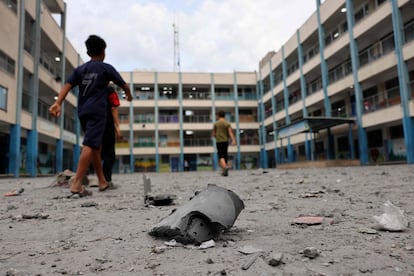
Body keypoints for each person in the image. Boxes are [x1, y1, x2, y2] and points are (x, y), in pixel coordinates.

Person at [49, 34, 133, 197]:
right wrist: (129, 96)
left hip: (83, 111)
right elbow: (124, 85)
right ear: (103, 51)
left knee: (95, 145)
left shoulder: (80, 70)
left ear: (88, 53)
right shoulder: (106, 68)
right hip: (97, 111)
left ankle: (102, 181)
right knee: (90, 144)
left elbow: (67, 86)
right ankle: (76, 184)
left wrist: (58, 102)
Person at [101, 85, 121, 187]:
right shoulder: (109, 90)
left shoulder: (91, 87)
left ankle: (80, 178)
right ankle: (106, 180)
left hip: (90, 121)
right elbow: (113, 107)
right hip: (106, 123)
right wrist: (117, 125)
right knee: (109, 154)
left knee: (92, 150)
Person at [212, 110, 236, 176]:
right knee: (225, 155)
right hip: (225, 141)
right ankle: (224, 171)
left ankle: (225, 168)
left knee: (221, 156)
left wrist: (216, 135)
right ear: (224, 116)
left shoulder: (216, 124)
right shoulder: (227, 123)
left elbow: (213, 134)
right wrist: (233, 140)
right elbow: (230, 132)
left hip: (219, 141)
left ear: (218, 115)